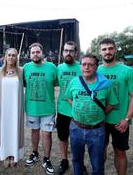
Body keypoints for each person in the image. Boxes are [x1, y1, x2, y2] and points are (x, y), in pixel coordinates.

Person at [65, 54, 118, 175]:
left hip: (97, 130)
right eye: (84, 64)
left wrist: (99, 113)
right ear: (80, 66)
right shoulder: (74, 81)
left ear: (96, 67)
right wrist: (77, 108)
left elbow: (112, 103)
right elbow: (68, 97)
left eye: (91, 65)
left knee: (97, 163)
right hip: (76, 128)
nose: (87, 67)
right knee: (76, 160)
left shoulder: (106, 84)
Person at [98, 38, 133, 175]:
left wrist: (127, 119)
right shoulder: (96, 70)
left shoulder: (127, 71)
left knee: (120, 152)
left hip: (120, 121)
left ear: (115, 50)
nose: (107, 52)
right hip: (100, 120)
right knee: (100, 150)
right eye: (104, 49)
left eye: (110, 48)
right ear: (100, 52)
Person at [23, 42, 57, 175]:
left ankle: (47, 158)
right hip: (32, 108)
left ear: (42, 53)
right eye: (33, 52)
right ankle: (34, 153)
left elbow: (56, 83)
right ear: (29, 54)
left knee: (47, 133)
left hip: (47, 109)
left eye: (38, 52)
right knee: (34, 132)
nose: (35, 54)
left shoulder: (52, 67)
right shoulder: (25, 68)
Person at [0, 48, 24, 167]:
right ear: (5, 57)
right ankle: (5, 155)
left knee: (14, 130)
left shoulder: (21, 71)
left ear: (17, 57)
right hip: (4, 107)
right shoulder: (0, 70)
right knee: (5, 130)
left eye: (13, 55)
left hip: (16, 107)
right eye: (9, 55)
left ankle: (14, 155)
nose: (11, 57)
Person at [56, 41, 81, 175]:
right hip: (62, 110)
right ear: (62, 52)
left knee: (78, 140)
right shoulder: (58, 68)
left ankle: (79, 163)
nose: (68, 53)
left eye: (71, 51)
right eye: (66, 50)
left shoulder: (82, 67)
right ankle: (64, 161)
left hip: (79, 112)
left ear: (76, 53)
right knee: (62, 137)